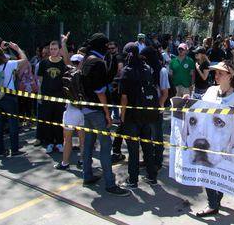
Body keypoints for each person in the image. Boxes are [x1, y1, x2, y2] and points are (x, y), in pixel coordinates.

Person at [192, 61, 234, 217]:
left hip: (225, 145)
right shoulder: (210, 90)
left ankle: (216, 201)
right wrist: (187, 100)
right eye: (215, 73)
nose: (216, 76)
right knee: (206, 172)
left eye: (220, 73)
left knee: (222, 173)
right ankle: (213, 203)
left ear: (230, 76)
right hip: (206, 141)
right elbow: (199, 106)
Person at [81, 33, 129, 196]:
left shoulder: (86, 60)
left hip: (86, 108)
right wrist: (108, 114)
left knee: (88, 145)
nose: (109, 49)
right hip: (98, 111)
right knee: (105, 147)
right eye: (107, 46)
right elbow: (101, 91)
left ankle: (87, 175)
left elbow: (107, 77)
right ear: (102, 46)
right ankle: (110, 183)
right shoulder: (98, 63)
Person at [119, 44, 158, 188]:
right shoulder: (147, 68)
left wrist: (122, 116)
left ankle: (133, 180)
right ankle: (152, 176)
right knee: (147, 146)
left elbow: (124, 98)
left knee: (133, 149)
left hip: (131, 117)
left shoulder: (126, 72)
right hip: (146, 114)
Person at [0, 42, 28, 156]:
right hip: (9, 97)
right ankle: (14, 150)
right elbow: (25, 60)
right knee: (13, 123)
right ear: (1, 54)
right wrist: (17, 48)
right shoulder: (9, 64)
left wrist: (0, 49)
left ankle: (1, 150)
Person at [37, 34, 70, 153]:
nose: (53, 51)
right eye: (51, 49)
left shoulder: (62, 63)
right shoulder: (43, 63)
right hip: (46, 96)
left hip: (59, 96)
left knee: (59, 119)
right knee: (48, 120)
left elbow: (68, 63)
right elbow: (40, 81)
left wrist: (64, 43)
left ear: (59, 50)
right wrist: (39, 95)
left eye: (55, 49)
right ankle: (50, 142)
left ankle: (60, 142)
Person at [54, 54, 86, 170]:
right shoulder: (85, 76)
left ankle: (65, 163)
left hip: (71, 110)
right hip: (83, 110)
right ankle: (83, 161)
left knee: (67, 139)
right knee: (83, 138)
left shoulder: (68, 75)